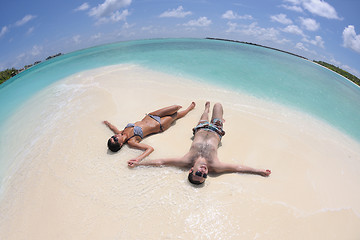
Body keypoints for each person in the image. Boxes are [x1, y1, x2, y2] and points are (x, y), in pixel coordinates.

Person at [128, 102, 271, 185]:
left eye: (198, 173)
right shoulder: (215, 165)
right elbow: (238, 168)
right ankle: (214, 111)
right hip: (217, 129)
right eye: (204, 176)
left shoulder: (187, 160)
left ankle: (205, 109)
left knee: (206, 112)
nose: (203, 172)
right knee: (218, 105)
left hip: (201, 128)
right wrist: (259, 171)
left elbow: (161, 162)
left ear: (191, 170)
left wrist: (139, 164)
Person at [104, 102, 196, 162]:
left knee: (176, 107)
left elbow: (113, 128)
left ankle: (186, 109)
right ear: (120, 144)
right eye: (115, 139)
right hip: (159, 125)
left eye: (112, 137)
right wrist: (138, 159)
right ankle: (189, 109)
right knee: (176, 114)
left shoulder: (122, 132)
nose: (114, 136)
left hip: (152, 115)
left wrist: (107, 123)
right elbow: (150, 149)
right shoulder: (131, 142)